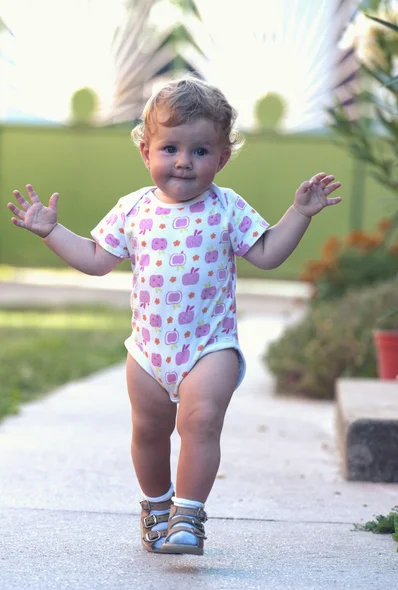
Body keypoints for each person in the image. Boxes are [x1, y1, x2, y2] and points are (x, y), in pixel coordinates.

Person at [8, 76, 342, 556]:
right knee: (148, 432)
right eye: (170, 148)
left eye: (201, 151)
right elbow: (97, 259)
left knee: (200, 422)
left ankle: (188, 516)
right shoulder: (133, 209)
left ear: (222, 158)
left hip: (210, 346)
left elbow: (267, 254)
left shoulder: (227, 208)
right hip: (147, 350)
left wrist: (299, 214)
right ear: (146, 151)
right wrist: (52, 232)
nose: (184, 161)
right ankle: (157, 507)